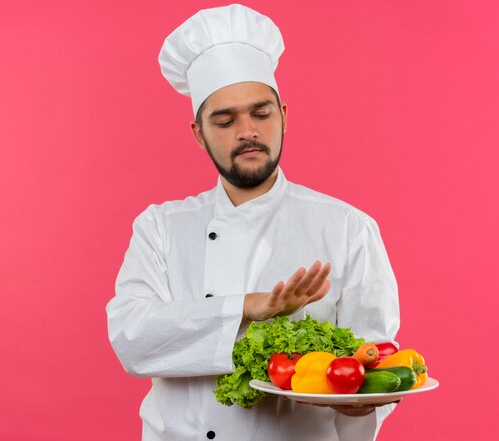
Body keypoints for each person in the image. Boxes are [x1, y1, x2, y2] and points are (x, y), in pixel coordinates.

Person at [106, 4, 400, 440]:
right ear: (198, 133)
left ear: (283, 114)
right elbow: (133, 339)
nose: (247, 131)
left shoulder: (348, 229)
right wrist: (246, 307)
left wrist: (360, 404)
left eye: (261, 114)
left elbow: (369, 365)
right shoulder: (160, 229)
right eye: (224, 120)